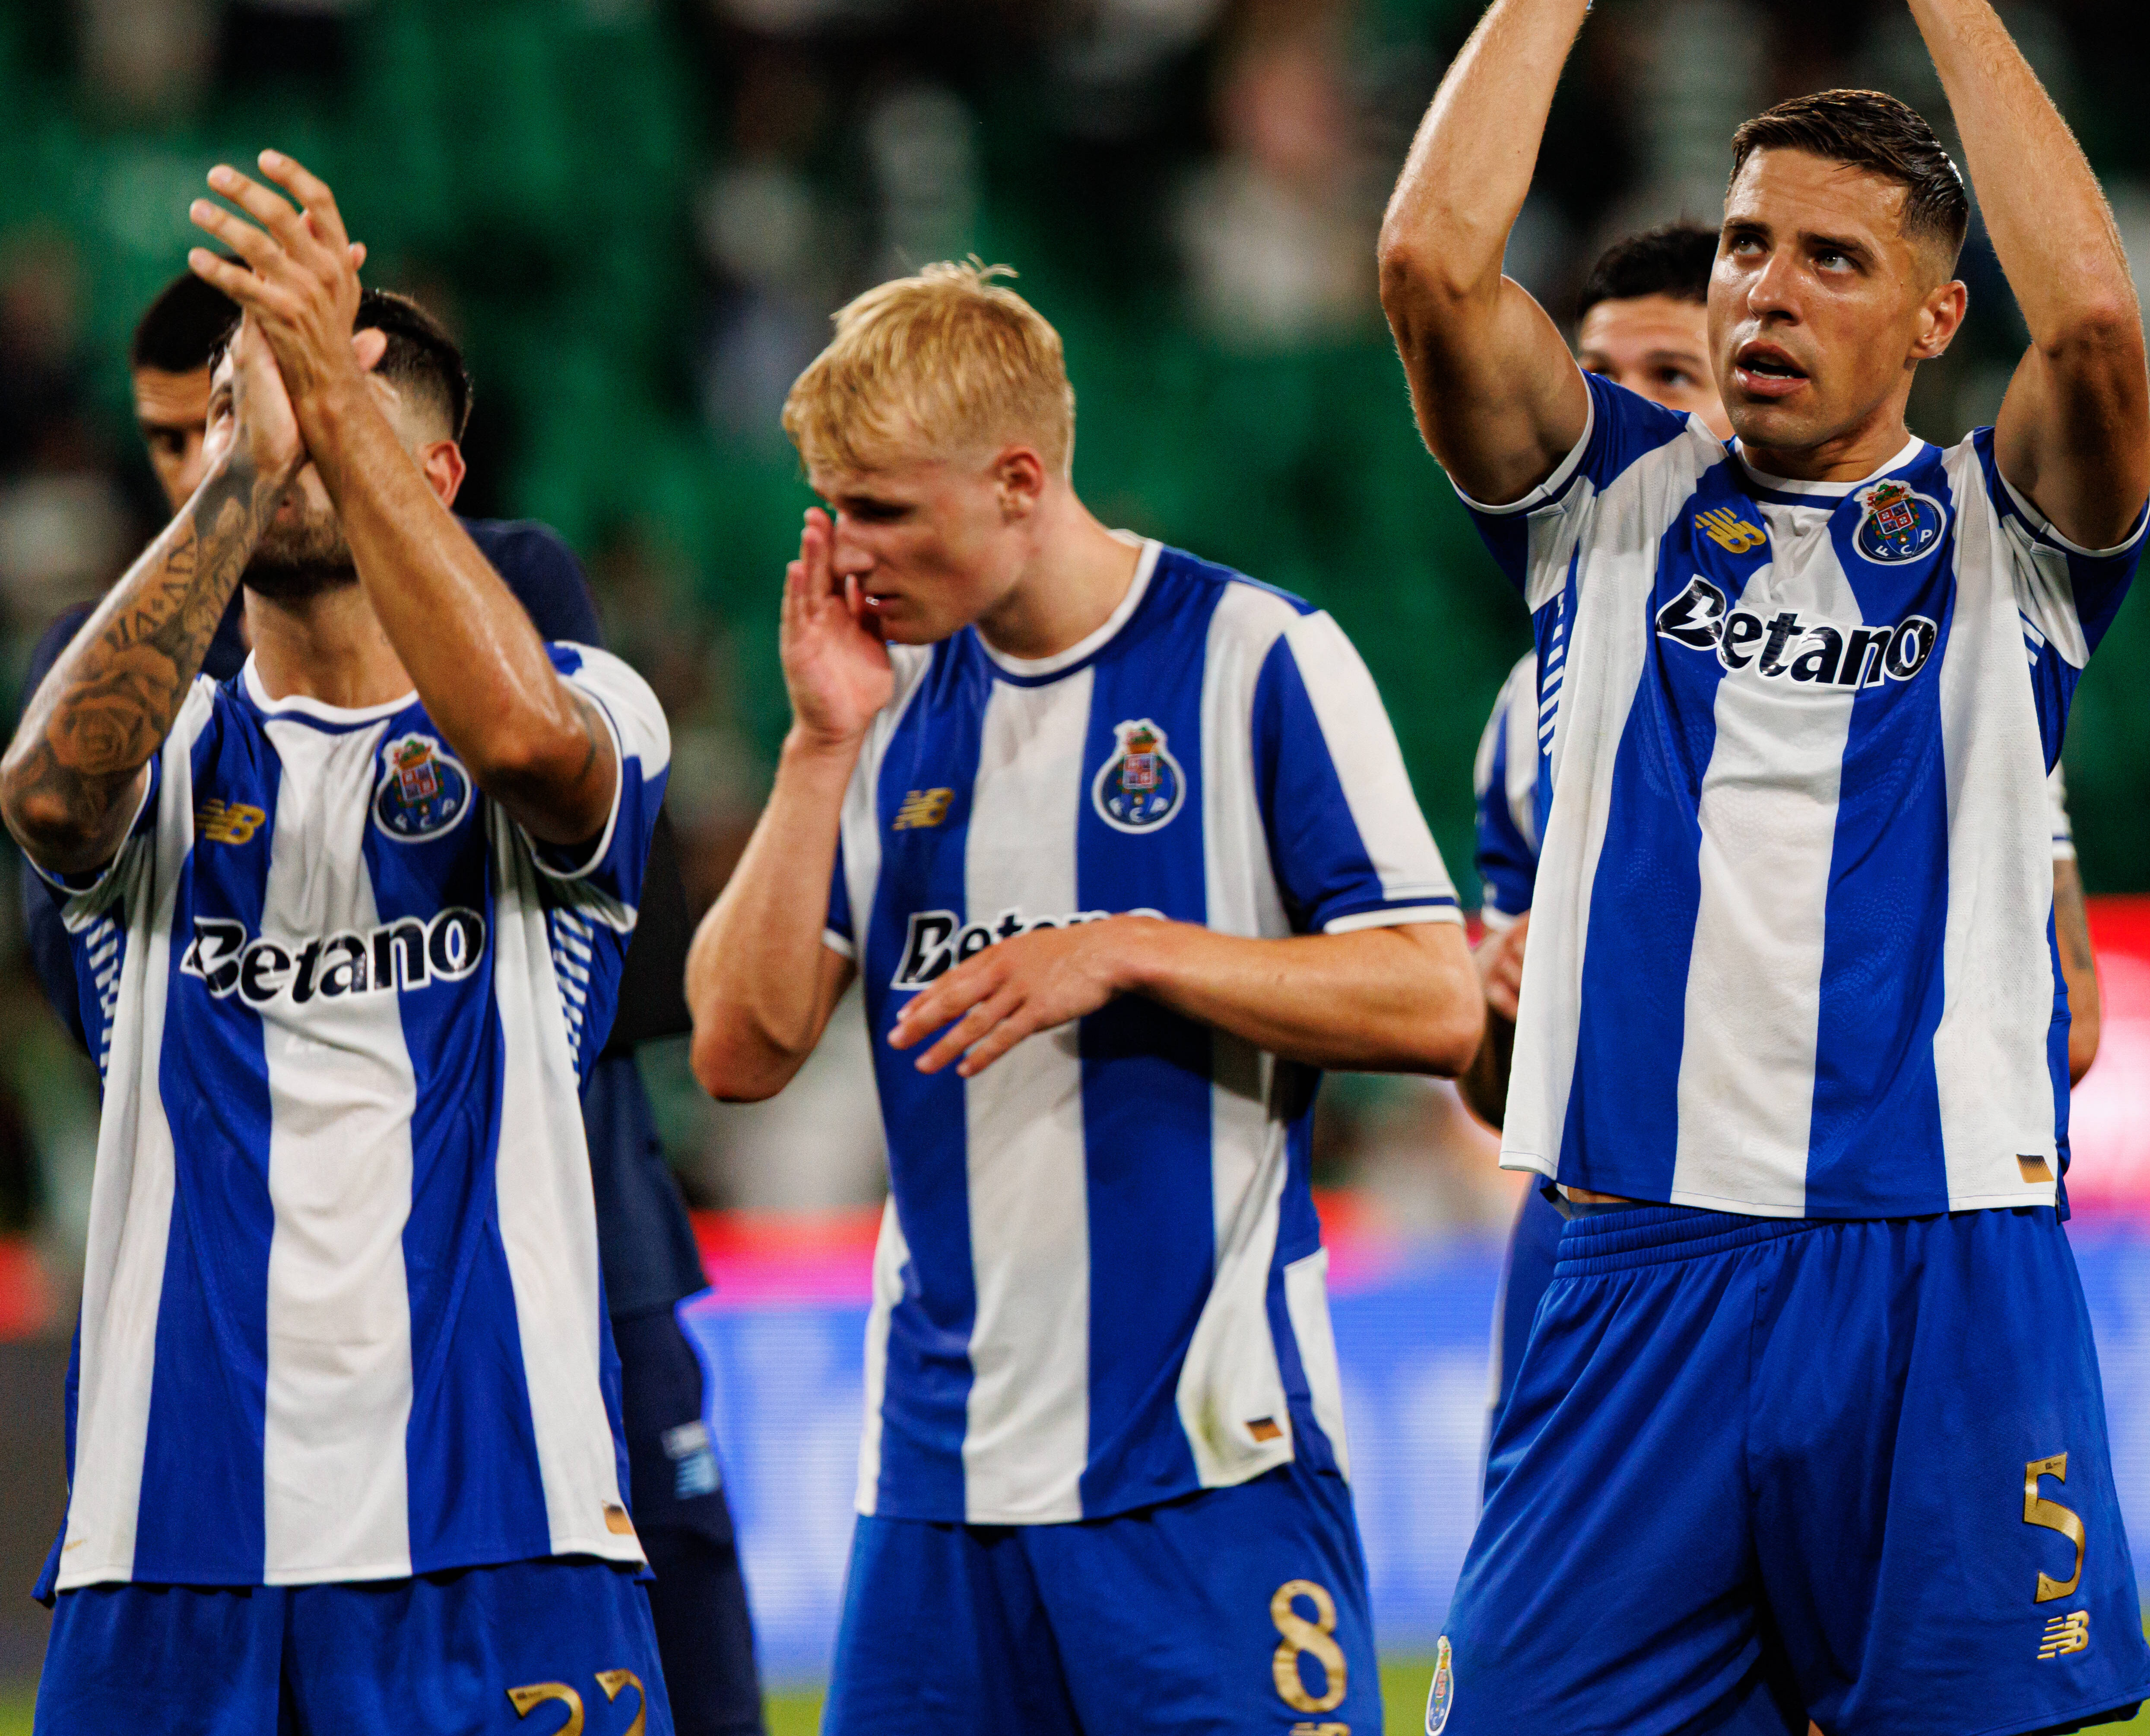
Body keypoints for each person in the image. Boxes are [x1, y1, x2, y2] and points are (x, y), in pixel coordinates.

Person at [1378, 0, 2150, 1726]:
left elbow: (2092, 333)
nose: (1766, 292)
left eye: (1831, 259)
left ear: (1931, 319)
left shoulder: (2006, 536)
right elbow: (1428, 268)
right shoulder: (1602, 505)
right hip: (1632, 1256)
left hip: (1933, 1262)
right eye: (1743, 245)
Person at [682, 260, 1480, 1736]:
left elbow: (1436, 1000)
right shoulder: (884, 703)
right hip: (937, 1492)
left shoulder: (1259, 662)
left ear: (1018, 482)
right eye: (832, 510)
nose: (849, 556)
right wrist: (816, 748)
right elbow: (736, 1048)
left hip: (1209, 1470)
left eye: (884, 510)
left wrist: (1134, 950)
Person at [18, 269, 768, 1736]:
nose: (280, 434)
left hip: (504, 1526)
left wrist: (331, 433)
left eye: (330, 412)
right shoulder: (167, 754)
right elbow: (47, 801)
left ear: (432, 475)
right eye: (240, 412)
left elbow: (531, 750)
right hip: (170, 1543)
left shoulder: (591, 700)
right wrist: (248, 463)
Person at [1456, 221, 2109, 1424]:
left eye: (1667, 375)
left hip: (1847, 1224)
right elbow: (1498, 1093)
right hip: (1595, 1222)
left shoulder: (1950, 683)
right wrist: (1509, 1004)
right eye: (1599, 375)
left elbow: (2065, 1015)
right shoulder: (1529, 710)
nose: (1623, 407)